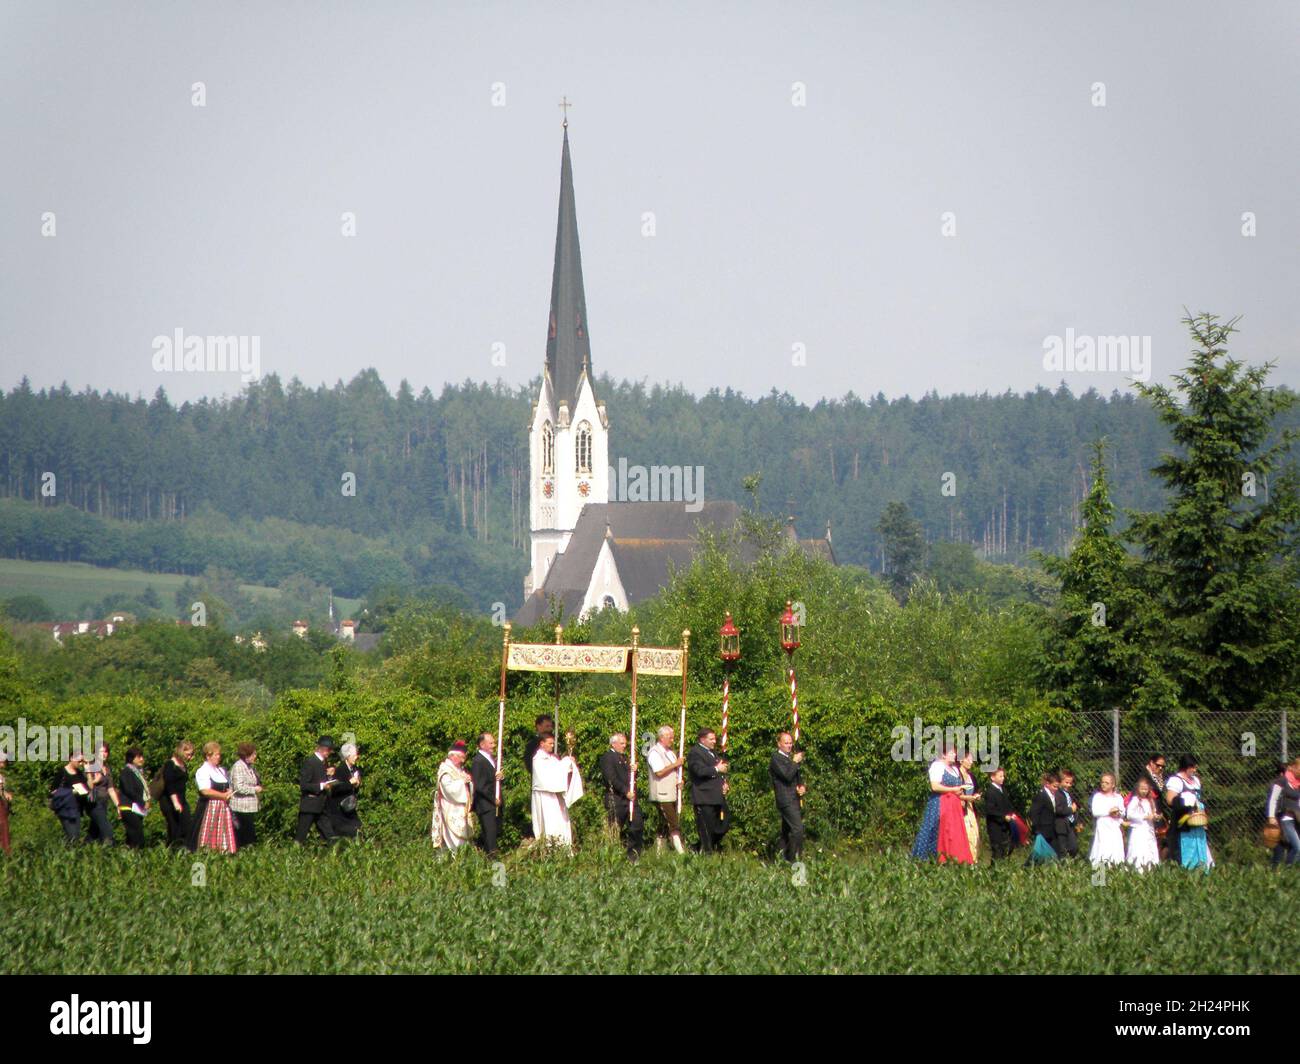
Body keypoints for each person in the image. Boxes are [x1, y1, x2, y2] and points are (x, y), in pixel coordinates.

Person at [911, 745, 968, 861]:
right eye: (951, 753)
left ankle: (951, 859)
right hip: (939, 804)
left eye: (954, 753)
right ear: (943, 754)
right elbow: (935, 786)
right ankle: (925, 859)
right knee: (933, 830)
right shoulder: (937, 766)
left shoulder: (955, 769)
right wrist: (953, 790)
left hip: (953, 806)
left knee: (952, 833)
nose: (954, 755)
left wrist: (960, 794)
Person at [531, 733, 583, 846]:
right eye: (550, 743)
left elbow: (561, 772)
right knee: (550, 823)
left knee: (561, 822)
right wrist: (566, 762)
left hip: (557, 796)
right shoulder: (538, 759)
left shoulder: (552, 758)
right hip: (545, 796)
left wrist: (570, 764)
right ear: (542, 744)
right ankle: (550, 847)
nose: (552, 745)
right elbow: (550, 775)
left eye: (553, 743)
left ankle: (563, 846)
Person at [599, 733, 644, 859]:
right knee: (614, 828)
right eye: (622, 743)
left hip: (630, 800)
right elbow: (611, 778)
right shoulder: (608, 757)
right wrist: (625, 791)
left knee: (637, 825)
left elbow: (630, 777)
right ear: (613, 744)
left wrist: (635, 770)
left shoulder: (625, 758)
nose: (625, 746)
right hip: (616, 798)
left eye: (625, 743)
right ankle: (610, 856)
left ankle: (633, 856)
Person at [1165, 754, 1213, 871]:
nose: (1194, 770)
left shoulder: (1195, 781)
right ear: (1185, 767)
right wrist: (1186, 803)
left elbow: (1199, 798)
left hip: (1196, 819)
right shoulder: (1176, 780)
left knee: (1199, 844)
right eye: (1192, 767)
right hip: (1183, 820)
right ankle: (1187, 869)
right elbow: (1170, 800)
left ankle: (1201, 868)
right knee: (1186, 847)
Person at [687, 728, 729, 853]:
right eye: (711, 739)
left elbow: (720, 772)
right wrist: (716, 769)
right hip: (704, 797)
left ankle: (697, 847)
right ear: (702, 739)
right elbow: (699, 771)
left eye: (714, 739)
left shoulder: (713, 753)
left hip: (717, 796)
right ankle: (707, 853)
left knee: (723, 824)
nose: (714, 741)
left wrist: (724, 783)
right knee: (707, 828)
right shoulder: (695, 753)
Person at [646, 725, 686, 853]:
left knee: (663, 823)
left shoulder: (670, 753)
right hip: (661, 794)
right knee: (673, 822)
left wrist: (679, 781)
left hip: (671, 793)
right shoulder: (654, 752)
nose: (672, 740)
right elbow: (659, 772)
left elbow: (674, 772)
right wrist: (675, 764)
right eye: (670, 737)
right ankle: (680, 852)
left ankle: (658, 852)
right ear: (662, 737)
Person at [191, 741, 237, 853]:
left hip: (223, 807)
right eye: (216, 755)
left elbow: (226, 785)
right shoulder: (203, 771)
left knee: (223, 833)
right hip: (209, 807)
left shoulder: (220, 770)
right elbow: (205, 791)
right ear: (208, 756)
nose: (218, 757)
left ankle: (224, 853)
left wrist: (229, 791)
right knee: (208, 833)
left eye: (219, 754)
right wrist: (222, 795)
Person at [768, 731, 805, 862]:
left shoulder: (789, 758)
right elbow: (787, 776)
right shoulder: (776, 758)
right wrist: (795, 762)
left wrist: (802, 786)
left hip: (794, 798)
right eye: (786, 743)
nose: (789, 745)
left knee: (786, 832)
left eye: (790, 743)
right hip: (785, 799)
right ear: (779, 744)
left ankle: (778, 858)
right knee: (797, 829)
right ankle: (794, 859)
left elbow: (797, 777)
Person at [295, 736, 339, 845]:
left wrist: (329, 777)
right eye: (328, 750)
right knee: (301, 835)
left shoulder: (324, 763)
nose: (329, 753)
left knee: (329, 834)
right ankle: (292, 856)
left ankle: (338, 854)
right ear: (322, 749)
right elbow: (304, 785)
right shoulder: (310, 762)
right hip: (310, 804)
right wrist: (321, 786)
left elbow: (323, 779)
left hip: (321, 805)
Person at [432, 741, 474, 851]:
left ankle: (462, 858)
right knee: (453, 842)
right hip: (450, 809)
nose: (463, 760)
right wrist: (463, 782)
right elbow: (449, 790)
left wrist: (469, 782)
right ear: (453, 756)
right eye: (461, 758)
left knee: (464, 841)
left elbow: (468, 786)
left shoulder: (460, 770)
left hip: (461, 810)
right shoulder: (445, 770)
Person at [470, 732, 504, 856]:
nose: (494, 745)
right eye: (491, 743)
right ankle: (492, 857)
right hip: (486, 804)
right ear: (482, 744)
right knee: (489, 833)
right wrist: (492, 799)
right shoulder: (478, 761)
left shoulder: (491, 759)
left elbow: (492, 779)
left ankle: (485, 852)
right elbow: (479, 785)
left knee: (494, 831)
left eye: (494, 743)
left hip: (493, 802)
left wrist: (500, 777)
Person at [1137, 753, 1173, 862]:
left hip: (1161, 813)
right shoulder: (1144, 776)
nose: (1161, 768)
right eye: (1158, 765)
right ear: (1151, 763)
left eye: (1163, 766)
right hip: (1149, 812)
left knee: (1165, 839)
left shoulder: (1162, 777)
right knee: (1155, 840)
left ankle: (1160, 863)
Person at [1266, 756, 1300, 867]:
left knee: (1288, 847)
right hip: (1285, 819)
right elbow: (1273, 799)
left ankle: (1280, 870)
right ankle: (1288, 870)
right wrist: (1271, 817)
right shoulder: (1282, 781)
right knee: (1298, 847)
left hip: (1296, 819)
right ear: (1293, 767)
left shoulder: (1298, 783)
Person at [49, 750, 89, 843]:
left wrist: (88, 770)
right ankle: (69, 854)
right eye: (79, 761)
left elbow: (88, 788)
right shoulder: (62, 773)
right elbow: (53, 791)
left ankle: (71, 854)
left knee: (76, 835)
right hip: (65, 809)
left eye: (82, 761)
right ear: (71, 758)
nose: (80, 763)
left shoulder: (79, 774)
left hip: (77, 809)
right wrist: (71, 792)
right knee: (72, 836)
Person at [161, 741, 194, 849]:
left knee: (187, 825)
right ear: (181, 752)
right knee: (174, 828)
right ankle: (172, 852)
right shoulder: (170, 764)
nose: (190, 757)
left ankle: (184, 850)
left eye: (191, 754)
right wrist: (175, 802)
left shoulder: (183, 765)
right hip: (170, 801)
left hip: (182, 799)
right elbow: (170, 785)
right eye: (188, 754)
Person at [85, 742, 119, 846]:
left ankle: (82, 848)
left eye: (105, 751)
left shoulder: (107, 769)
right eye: (101, 752)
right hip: (94, 802)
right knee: (106, 829)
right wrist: (95, 781)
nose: (104, 754)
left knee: (94, 831)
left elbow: (111, 789)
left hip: (104, 803)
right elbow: (86, 786)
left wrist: (118, 805)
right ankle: (109, 850)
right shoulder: (90, 766)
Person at [229, 743, 262, 848]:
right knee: (244, 833)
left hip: (248, 807)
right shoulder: (238, 766)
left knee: (249, 831)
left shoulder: (249, 767)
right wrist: (254, 789)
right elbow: (238, 787)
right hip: (241, 807)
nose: (255, 756)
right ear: (246, 755)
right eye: (253, 754)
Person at [1089, 772, 1126, 867]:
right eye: (1102, 782)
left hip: (1114, 827)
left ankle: (1115, 871)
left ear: (1113, 785)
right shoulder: (1098, 796)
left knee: (1115, 848)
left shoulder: (1118, 797)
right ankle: (1099, 875)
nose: (1103, 784)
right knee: (1102, 849)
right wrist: (1109, 812)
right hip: (1103, 827)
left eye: (1107, 783)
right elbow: (1095, 812)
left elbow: (1123, 811)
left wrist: (1118, 813)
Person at [1124, 777, 1160, 871]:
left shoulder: (1150, 801)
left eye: (1146, 789)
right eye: (1142, 789)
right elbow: (1129, 814)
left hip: (1149, 828)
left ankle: (1150, 867)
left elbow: (1152, 812)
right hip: (1139, 829)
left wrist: (1155, 816)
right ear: (1138, 789)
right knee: (1139, 847)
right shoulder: (1135, 800)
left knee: (1149, 846)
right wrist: (1144, 817)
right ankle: (1137, 867)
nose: (1144, 791)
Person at [328, 742, 363, 839]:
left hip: (349, 807)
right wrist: (350, 783)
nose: (357, 757)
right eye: (355, 754)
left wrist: (356, 785)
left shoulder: (354, 769)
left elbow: (353, 789)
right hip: (340, 810)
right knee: (351, 832)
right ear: (348, 756)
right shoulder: (340, 770)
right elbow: (336, 788)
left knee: (358, 828)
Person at [117, 747, 150, 849]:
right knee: (137, 836)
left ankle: (129, 856)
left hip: (136, 808)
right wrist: (142, 802)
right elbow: (129, 790)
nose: (141, 759)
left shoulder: (138, 772)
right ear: (131, 758)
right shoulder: (127, 772)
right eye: (139, 757)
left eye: (142, 756)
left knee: (132, 837)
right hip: (128, 807)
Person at [1027, 772, 1062, 864]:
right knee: (1040, 853)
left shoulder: (1053, 796)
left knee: (1055, 852)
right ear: (1047, 784)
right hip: (1043, 830)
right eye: (1054, 786)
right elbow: (1033, 813)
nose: (1056, 789)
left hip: (1052, 830)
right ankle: (1028, 867)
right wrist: (1036, 829)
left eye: (1057, 787)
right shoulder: (1041, 796)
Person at [982, 765, 1015, 860]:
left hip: (1005, 825)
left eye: (1003, 776)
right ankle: (994, 870)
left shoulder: (1003, 790)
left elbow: (1007, 805)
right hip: (995, 826)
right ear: (993, 777)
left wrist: (1010, 813)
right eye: (1000, 776)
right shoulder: (990, 791)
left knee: (1004, 849)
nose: (1003, 778)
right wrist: (1003, 817)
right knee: (997, 850)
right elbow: (990, 810)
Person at [957, 752, 981, 861]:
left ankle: (973, 860)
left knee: (974, 835)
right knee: (964, 835)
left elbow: (976, 790)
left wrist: (976, 795)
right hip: (960, 809)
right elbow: (955, 794)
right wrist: (967, 798)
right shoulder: (957, 775)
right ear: (961, 760)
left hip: (970, 808)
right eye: (968, 759)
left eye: (972, 760)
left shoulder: (971, 776)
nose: (971, 762)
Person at [1056, 769, 1080, 859]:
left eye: (1070, 783)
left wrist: (1076, 820)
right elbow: (1058, 810)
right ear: (1060, 781)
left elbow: (1074, 807)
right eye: (1066, 782)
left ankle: (1069, 863)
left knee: (1074, 847)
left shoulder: (1068, 793)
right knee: (1062, 848)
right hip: (1061, 825)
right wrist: (1071, 810)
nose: (1068, 785)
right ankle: (1061, 866)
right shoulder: (1057, 794)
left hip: (1070, 824)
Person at [0, 752, 13, 855]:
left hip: (3, 806)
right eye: (2, 762)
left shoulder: (3, 775)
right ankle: (6, 852)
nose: (4, 765)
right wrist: (4, 793)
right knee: (3, 827)